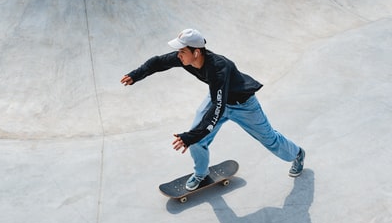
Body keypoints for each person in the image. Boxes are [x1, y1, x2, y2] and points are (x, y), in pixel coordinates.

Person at [121, 29, 305, 191]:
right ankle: (201, 173)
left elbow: (218, 108)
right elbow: (157, 62)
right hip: (217, 97)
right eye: (179, 51)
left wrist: (190, 136)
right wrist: (135, 75)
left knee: (269, 139)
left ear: (196, 52)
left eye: (182, 51)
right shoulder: (185, 57)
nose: (178, 55)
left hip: (244, 105)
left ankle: (297, 153)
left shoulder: (219, 68)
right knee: (196, 137)